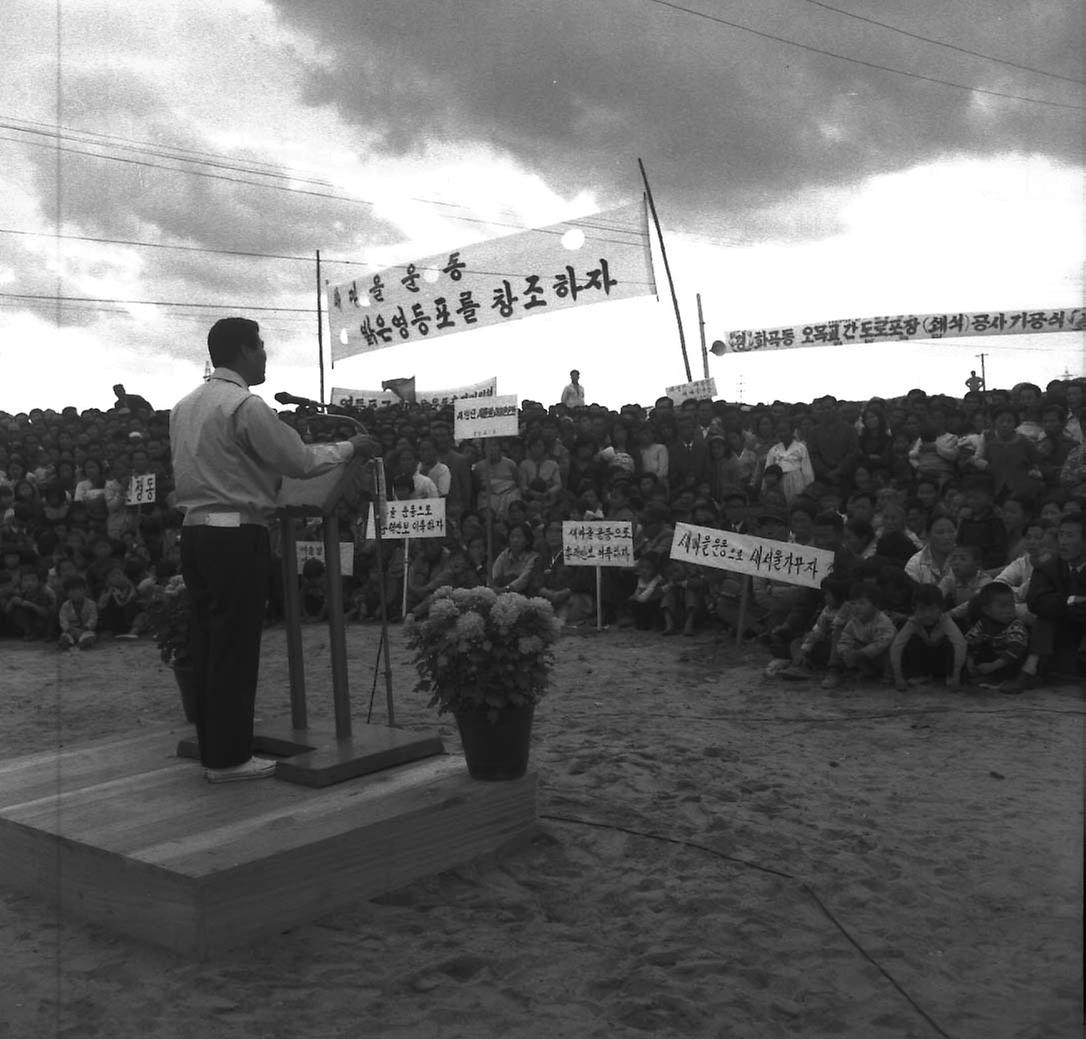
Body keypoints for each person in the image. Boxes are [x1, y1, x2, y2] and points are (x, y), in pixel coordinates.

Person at [171, 317, 378, 783]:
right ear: (244, 351)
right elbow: (300, 461)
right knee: (236, 648)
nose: (265, 354)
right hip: (235, 535)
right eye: (260, 346)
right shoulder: (245, 405)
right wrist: (350, 446)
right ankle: (228, 761)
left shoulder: (185, 405)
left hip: (196, 532)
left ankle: (216, 750)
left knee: (208, 645)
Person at [889, 583, 966, 690]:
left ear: (941, 609)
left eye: (932, 609)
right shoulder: (913, 622)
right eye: (922, 609)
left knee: (949, 643)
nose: (927, 614)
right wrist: (898, 677)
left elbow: (960, 645)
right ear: (914, 608)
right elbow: (896, 647)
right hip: (925, 661)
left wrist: (956, 674)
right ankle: (919, 674)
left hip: (942, 662)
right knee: (911, 641)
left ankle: (950, 675)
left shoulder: (946, 621)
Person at [821, 581, 896, 688]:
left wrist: (861, 653)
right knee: (849, 645)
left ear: (875, 605)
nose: (857, 607)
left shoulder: (882, 620)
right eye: (853, 603)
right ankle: (868, 672)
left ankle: (888, 677)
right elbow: (845, 637)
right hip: (866, 655)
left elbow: (882, 642)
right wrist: (845, 651)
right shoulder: (854, 621)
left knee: (890, 647)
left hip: (881, 656)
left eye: (862, 603)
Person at [964, 582, 1029, 689]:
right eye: (1003, 606)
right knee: (976, 647)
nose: (1009, 610)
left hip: (1008, 662)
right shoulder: (983, 624)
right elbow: (969, 641)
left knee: (1015, 660)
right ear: (987, 610)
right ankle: (982, 674)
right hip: (992, 659)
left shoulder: (1016, 625)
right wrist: (969, 661)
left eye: (1012, 605)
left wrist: (993, 666)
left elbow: (1016, 649)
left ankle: (1000, 678)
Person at [57, 574, 98, 650]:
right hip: (71, 630)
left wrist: (86, 627)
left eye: (78, 589)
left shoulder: (91, 604)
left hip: (86, 630)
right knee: (65, 637)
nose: (75, 592)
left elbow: (93, 618)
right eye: (71, 590)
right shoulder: (65, 605)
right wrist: (69, 629)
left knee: (89, 636)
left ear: (84, 590)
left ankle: (83, 643)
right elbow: (63, 619)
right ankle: (67, 643)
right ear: (67, 593)